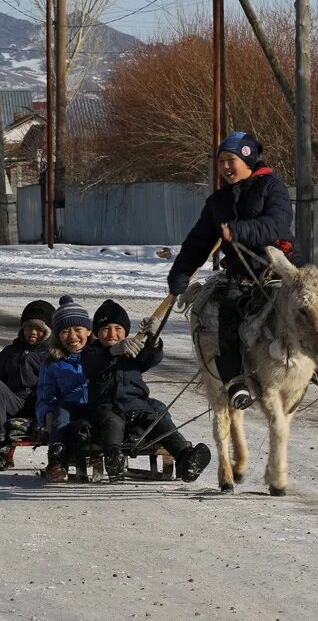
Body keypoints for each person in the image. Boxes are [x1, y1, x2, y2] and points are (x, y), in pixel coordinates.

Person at [167, 131, 297, 412]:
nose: (225, 167)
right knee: (228, 315)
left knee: (315, 303)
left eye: (231, 160)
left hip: (276, 270)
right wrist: (180, 273)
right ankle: (236, 381)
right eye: (221, 161)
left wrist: (239, 230)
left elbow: (277, 223)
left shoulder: (272, 187)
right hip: (240, 275)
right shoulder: (218, 202)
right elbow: (198, 241)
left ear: (248, 159)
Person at [86, 299, 211, 483]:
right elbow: (91, 366)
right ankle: (114, 458)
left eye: (118, 328)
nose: (112, 333)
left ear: (126, 331)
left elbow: (150, 359)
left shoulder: (133, 349)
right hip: (107, 407)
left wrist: (154, 339)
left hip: (138, 406)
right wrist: (113, 351)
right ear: (96, 332)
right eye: (106, 329)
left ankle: (185, 458)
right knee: (111, 425)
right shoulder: (92, 352)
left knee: (159, 422)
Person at [0, 299, 54, 470]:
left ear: (48, 331)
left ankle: (60, 456)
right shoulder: (9, 352)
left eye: (39, 329)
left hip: (41, 403)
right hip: (15, 401)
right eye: (29, 327)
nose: (33, 332)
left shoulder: (53, 354)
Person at [34, 297, 95, 484]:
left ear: (89, 331)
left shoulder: (99, 356)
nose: (72, 337)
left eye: (78, 330)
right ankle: (57, 460)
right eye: (65, 331)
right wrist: (47, 414)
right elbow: (46, 394)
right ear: (57, 336)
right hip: (67, 408)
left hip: (96, 405)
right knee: (61, 415)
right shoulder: (52, 362)